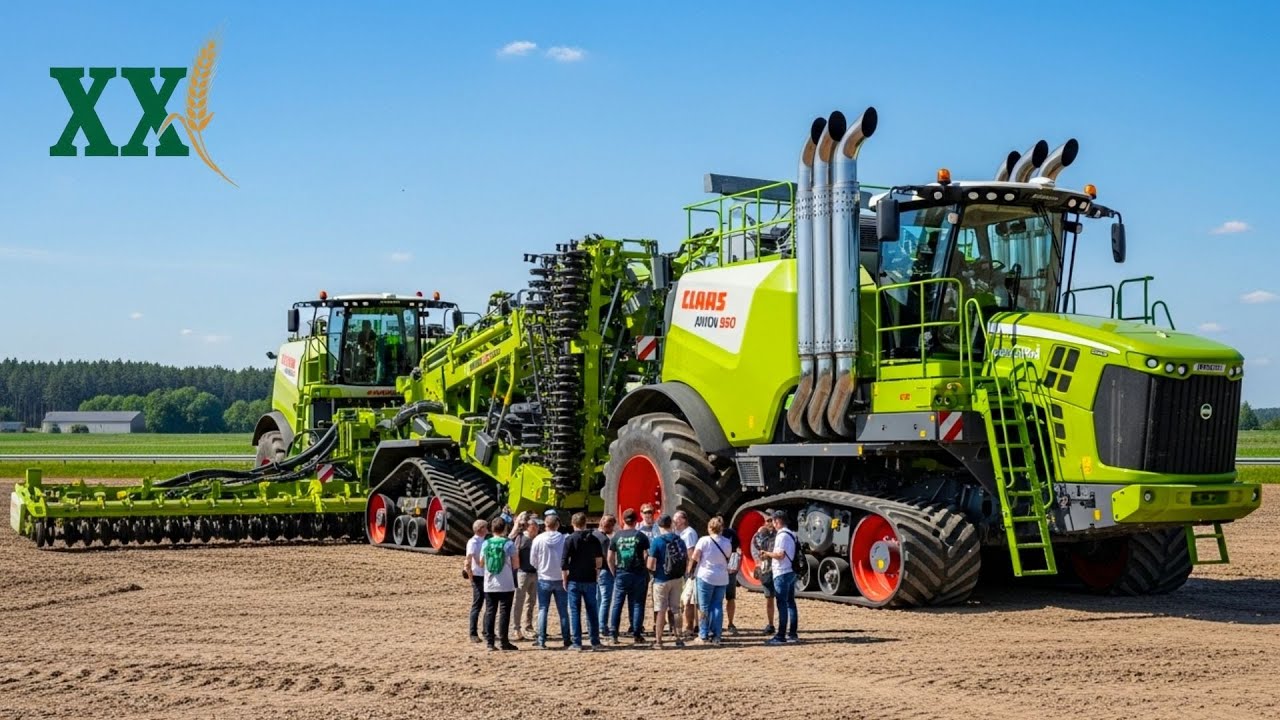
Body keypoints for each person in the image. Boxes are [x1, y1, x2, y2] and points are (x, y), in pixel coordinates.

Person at [608, 508, 651, 644]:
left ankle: (613, 633)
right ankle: (637, 633)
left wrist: (613, 571)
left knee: (617, 604)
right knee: (638, 604)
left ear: (623, 520)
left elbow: (610, 557)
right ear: (636, 520)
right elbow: (646, 554)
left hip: (621, 572)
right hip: (638, 573)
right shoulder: (640, 536)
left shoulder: (617, 536)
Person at [562, 512, 604, 651]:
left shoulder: (570, 539)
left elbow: (564, 562)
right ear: (585, 523)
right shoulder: (593, 539)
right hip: (590, 578)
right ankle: (595, 641)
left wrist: (564, 578)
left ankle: (577, 643)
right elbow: (599, 560)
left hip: (574, 578)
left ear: (573, 524)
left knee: (575, 611)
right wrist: (596, 572)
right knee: (592, 610)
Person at [688, 515, 733, 646]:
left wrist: (690, 571)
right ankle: (717, 635)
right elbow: (728, 556)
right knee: (717, 606)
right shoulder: (727, 542)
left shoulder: (704, 540)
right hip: (722, 576)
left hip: (706, 575)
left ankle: (703, 634)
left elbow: (695, 557)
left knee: (704, 606)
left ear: (710, 528)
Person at [646, 514, 687, 649]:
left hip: (661, 579)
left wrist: (653, 573)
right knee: (676, 609)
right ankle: (678, 637)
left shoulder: (657, 541)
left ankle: (659, 640)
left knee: (661, 610)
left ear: (659, 526)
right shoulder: (680, 540)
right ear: (671, 524)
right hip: (677, 579)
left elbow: (650, 564)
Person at [529, 513, 569, 649]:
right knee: (563, 610)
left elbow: (532, 560)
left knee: (542, 609)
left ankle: (541, 640)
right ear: (557, 525)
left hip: (544, 578)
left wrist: (540, 567)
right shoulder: (564, 539)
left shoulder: (538, 539)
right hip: (560, 578)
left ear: (545, 525)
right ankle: (567, 639)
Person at [761, 510, 800, 645]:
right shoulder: (792, 534)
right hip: (791, 571)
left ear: (777, 521)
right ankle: (793, 633)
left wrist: (767, 553)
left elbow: (780, 555)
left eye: (773, 521)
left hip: (782, 572)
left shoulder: (781, 535)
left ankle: (781, 635)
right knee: (791, 603)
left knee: (782, 604)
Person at [481, 516, 519, 651]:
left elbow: (481, 562)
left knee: (490, 612)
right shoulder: (508, 544)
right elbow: (516, 564)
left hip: (489, 583)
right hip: (506, 583)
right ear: (504, 528)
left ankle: (490, 643)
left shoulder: (486, 543)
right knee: (504, 613)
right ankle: (504, 641)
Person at [510, 514, 540, 641]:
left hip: (534, 573)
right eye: (535, 526)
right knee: (519, 601)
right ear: (529, 527)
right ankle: (516, 627)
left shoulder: (537, 539)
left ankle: (528, 625)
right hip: (522, 573)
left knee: (531, 601)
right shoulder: (521, 539)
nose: (538, 528)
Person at [750, 513, 778, 636]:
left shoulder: (781, 535)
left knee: (782, 599)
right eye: (768, 520)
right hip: (767, 569)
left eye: (772, 520)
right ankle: (771, 624)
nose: (770, 523)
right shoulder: (761, 535)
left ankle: (782, 625)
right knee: (769, 598)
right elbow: (756, 549)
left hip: (778, 569)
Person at [673, 511, 700, 636]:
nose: (674, 522)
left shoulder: (689, 533)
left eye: (676, 520)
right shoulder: (680, 533)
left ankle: (690, 627)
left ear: (683, 520)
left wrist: (689, 571)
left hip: (687, 571)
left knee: (688, 600)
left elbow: (691, 553)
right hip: (682, 570)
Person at [463, 518, 489, 643]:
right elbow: (468, 560)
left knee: (488, 603)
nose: (487, 529)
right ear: (480, 529)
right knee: (477, 604)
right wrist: (471, 577)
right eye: (485, 527)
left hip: (485, 575)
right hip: (477, 575)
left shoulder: (485, 541)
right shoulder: (473, 542)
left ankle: (486, 630)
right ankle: (473, 633)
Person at [592, 514, 616, 638]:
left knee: (597, 599)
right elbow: (609, 558)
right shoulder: (605, 540)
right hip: (605, 571)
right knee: (606, 600)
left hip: (594, 571)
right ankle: (602, 626)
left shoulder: (593, 535)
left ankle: (594, 624)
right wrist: (614, 572)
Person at [722, 523, 741, 636]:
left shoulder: (730, 533)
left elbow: (738, 550)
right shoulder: (731, 533)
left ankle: (729, 623)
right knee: (729, 598)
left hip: (726, 568)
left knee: (729, 597)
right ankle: (729, 623)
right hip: (727, 568)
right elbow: (738, 550)